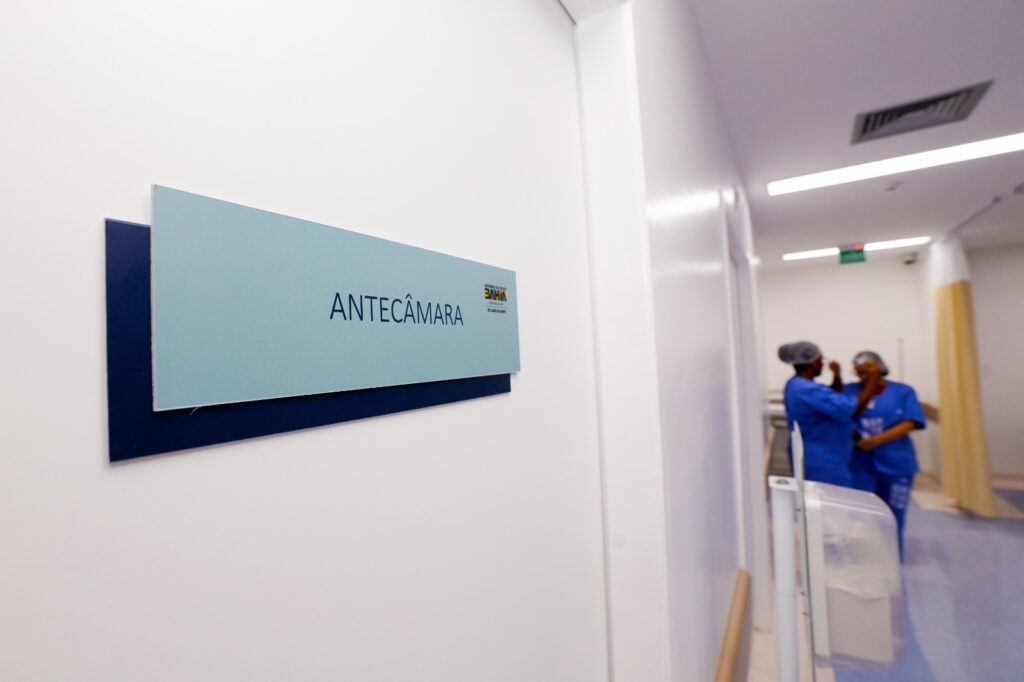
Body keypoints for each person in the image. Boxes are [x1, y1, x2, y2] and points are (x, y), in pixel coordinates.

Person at [841, 351, 926, 557]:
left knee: (894, 513)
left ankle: (890, 559)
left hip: (897, 465)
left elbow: (910, 422)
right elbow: (842, 415)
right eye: (859, 370)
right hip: (860, 464)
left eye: (868, 369)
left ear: (880, 368)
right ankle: (862, 558)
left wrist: (875, 441)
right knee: (861, 514)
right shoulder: (850, 391)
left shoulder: (903, 392)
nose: (863, 374)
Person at [779, 341, 881, 487]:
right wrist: (874, 377)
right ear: (814, 363)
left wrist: (837, 374)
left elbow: (832, 395)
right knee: (832, 498)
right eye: (821, 360)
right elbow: (852, 409)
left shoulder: (797, 384)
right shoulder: (807, 389)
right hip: (823, 460)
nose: (822, 364)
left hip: (817, 455)